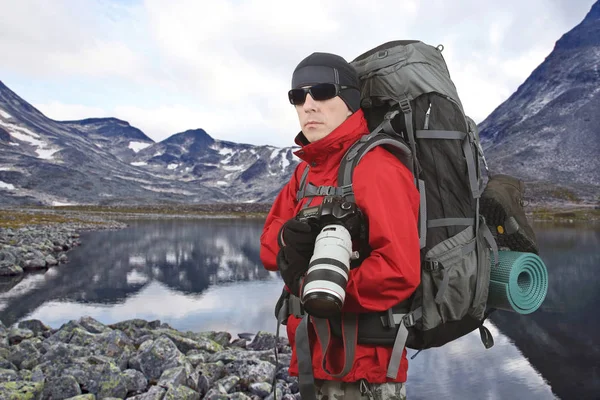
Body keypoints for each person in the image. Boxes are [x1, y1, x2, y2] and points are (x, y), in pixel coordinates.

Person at [259, 52, 421, 400]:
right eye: (297, 96)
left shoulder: (378, 169)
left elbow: (400, 271)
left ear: (349, 100)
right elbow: (269, 250)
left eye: (321, 91)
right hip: (311, 359)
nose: (308, 105)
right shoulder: (305, 172)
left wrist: (321, 285)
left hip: (367, 371)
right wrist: (293, 243)